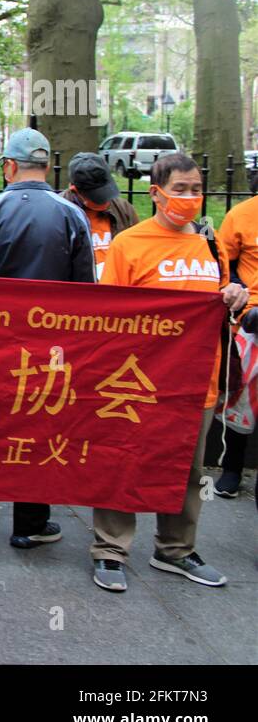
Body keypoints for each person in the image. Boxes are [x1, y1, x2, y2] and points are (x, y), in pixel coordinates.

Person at [90, 153, 245, 592]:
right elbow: (108, 316)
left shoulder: (211, 245)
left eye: (197, 189)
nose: (190, 197)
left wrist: (234, 294)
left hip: (197, 381)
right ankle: (110, 550)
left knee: (187, 472)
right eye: (181, 189)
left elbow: (222, 300)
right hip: (137, 381)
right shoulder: (130, 245)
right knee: (124, 461)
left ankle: (175, 550)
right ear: (155, 193)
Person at [0, 129, 95, 547]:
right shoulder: (72, 215)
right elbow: (86, 289)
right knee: (38, 430)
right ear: (48, 166)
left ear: (10, 166)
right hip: (50, 348)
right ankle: (30, 524)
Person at [214, 174, 258, 498]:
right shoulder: (241, 215)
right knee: (240, 395)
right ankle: (232, 467)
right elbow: (223, 267)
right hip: (252, 319)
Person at [62, 152, 139, 280]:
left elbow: (138, 248)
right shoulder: (62, 212)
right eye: (97, 198)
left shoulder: (124, 209)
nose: (105, 201)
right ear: (75, 190)